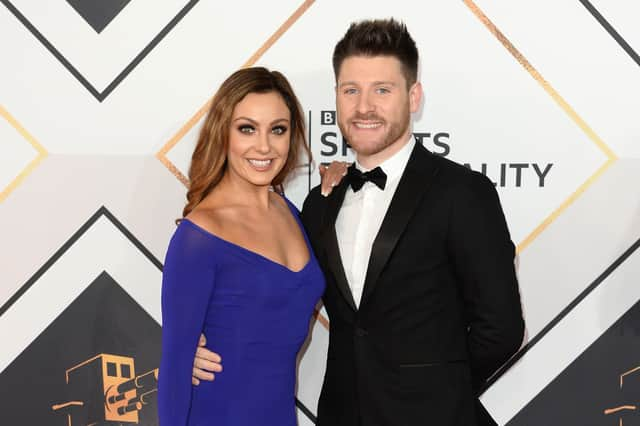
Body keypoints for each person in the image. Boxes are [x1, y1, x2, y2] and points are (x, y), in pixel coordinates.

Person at [192, 19, 525, 426]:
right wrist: (198, 344)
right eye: (351, 90)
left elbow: (502, 329)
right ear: (336, 97)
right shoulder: (319, 204)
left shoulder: (463, 193)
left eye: (382, 90)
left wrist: (436, 391)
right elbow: (275, 295)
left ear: (414, 96)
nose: (364, 107)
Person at [158, 67, 325, 425]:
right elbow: (174, 371)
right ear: (223, 134)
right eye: (247, 128)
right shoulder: (199, 236)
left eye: (277, 129)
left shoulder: (290, 212)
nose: (264, 146)